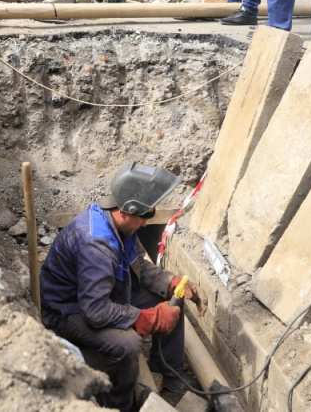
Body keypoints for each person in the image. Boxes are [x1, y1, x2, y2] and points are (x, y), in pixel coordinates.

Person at [39, 162, 207, 412]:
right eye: (145, 216)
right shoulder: (96, 245)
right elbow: (95, 310)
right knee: (127, 344)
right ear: (127, 210)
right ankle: (121, 404)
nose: (146, 224)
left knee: (173, 298)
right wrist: (147, 319)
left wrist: (172, 283)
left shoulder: (118, 224)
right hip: (69, 309)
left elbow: (139, 263)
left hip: (98, 294)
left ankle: (167, 373)